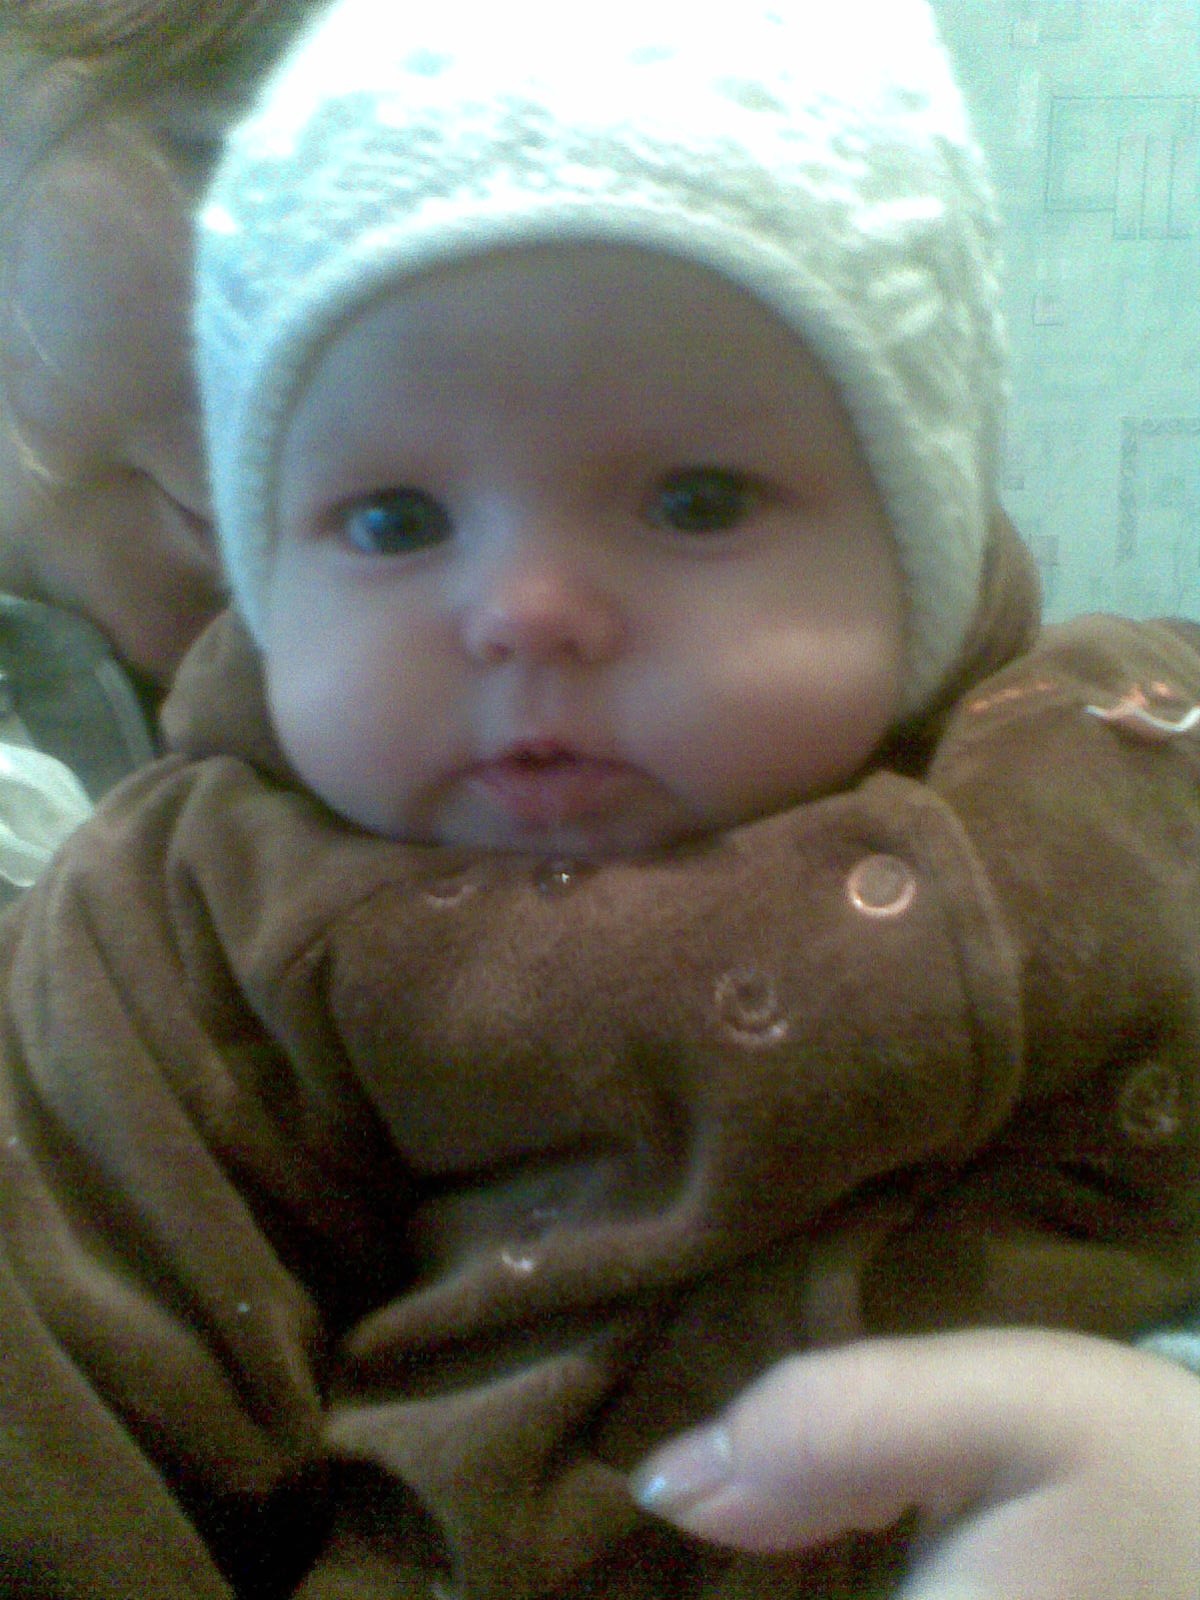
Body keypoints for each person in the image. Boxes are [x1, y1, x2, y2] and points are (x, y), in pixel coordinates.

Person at [0, 1, 1198, 1596]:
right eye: (395, 518)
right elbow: (70, 1427)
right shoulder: (188, 926)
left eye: (694, 500)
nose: (527, 610)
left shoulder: (1114, 763)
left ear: (911, 532)